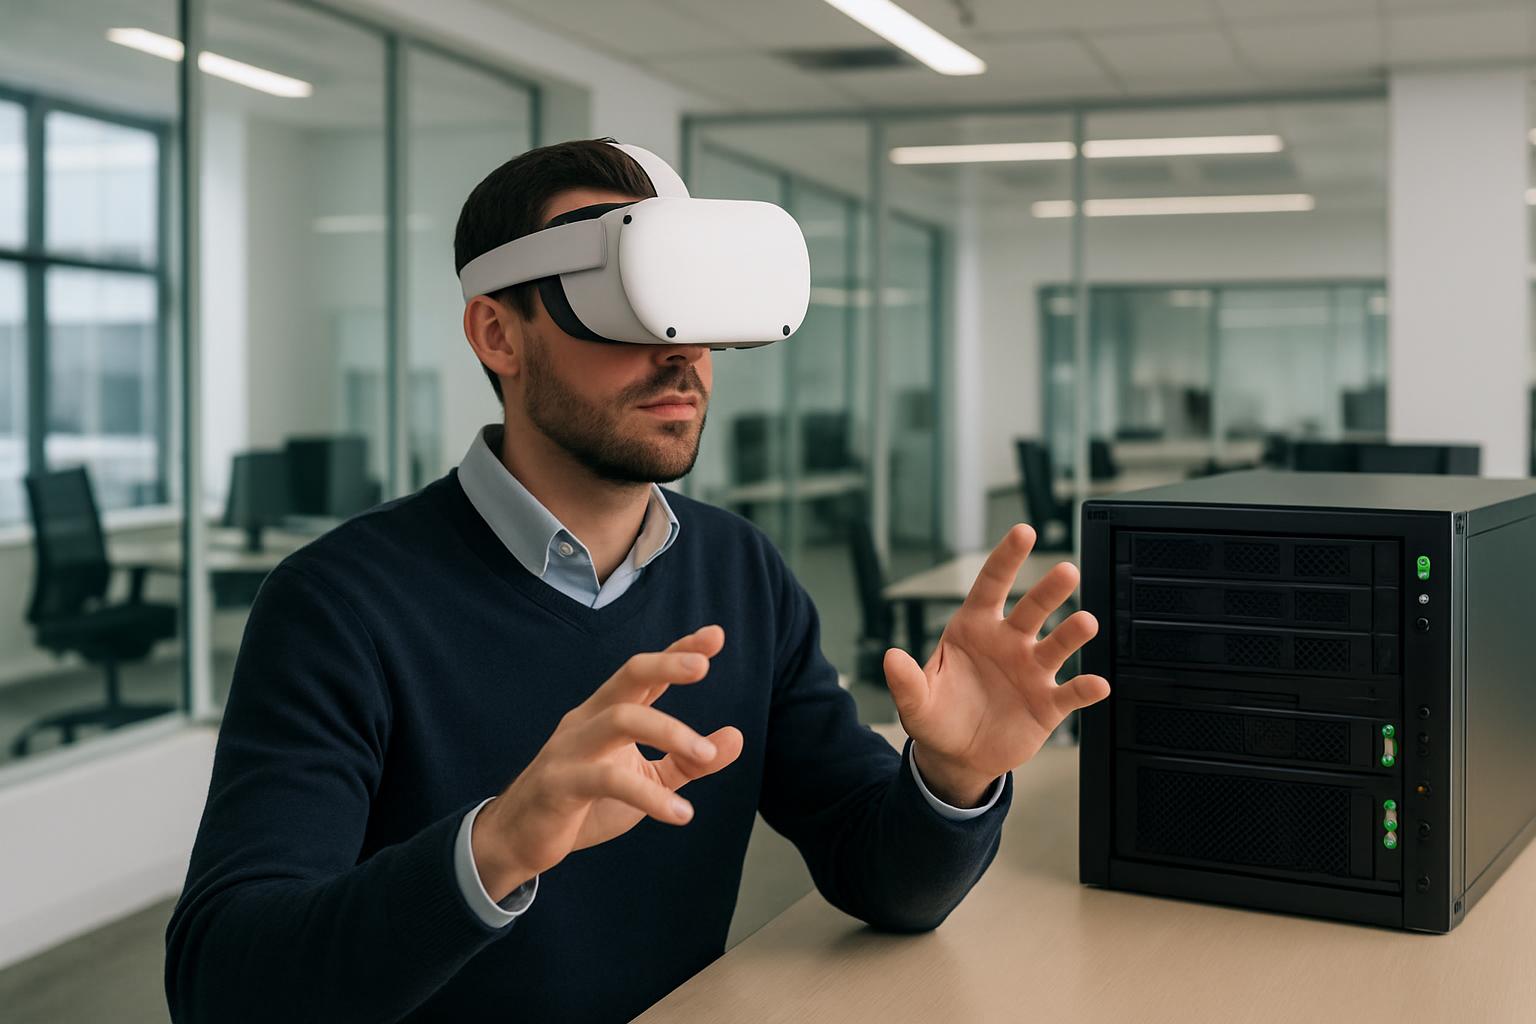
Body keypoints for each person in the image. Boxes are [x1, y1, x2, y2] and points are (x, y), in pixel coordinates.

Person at [164, 138, 1110, 1024]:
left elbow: (886, 882)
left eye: (691, 302)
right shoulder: (337, 603)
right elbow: (222, 984)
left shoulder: (740, 571)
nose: (681, 351)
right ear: (498, 333)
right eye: (624, 298)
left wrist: (952, 779)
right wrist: (496, 848)